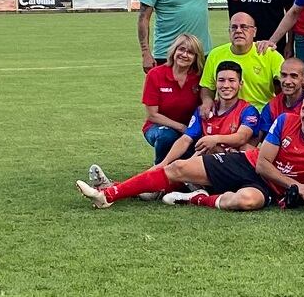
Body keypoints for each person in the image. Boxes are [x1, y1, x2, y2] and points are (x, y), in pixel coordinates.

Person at [76, 62, 261, 209]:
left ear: (240, 84)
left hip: (229, 172)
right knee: (148, 192)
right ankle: (110, 188)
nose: (226, 85)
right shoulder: (205, 110)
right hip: (203, 168)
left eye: (231, 80)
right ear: (215, 82)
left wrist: (214, 139)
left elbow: (241, 138)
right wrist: (163, 164)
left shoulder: (248, 110)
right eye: (221, 80)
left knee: (204, 153)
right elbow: (186, 139)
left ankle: (109, 191)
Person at [140, 33, 205, 165]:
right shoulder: (156, 74)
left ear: (196, 58)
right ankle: (159, 172)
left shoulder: (199, 77)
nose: (185, 55)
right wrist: (181, 127)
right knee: (168, 137)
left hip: (190, 128)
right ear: (174, 51)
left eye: (190, 52)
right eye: (181, 49)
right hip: (158, 127)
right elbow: (152, 115)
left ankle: (187, 178)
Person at [200, 13, 284, 114]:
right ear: (229, 31)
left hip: (261, 113)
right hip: (227, 113)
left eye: (244, 27)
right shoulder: (215, 55)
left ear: (254, 32)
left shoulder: (268, 53)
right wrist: (207, 100)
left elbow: (287, 81)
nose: (238, 31)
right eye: (234, 27)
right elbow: (207, 86)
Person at [258, 58, 304, 136]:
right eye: (284, 75)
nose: (287, 81)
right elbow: (258, 138)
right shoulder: (273, 105)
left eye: (293, 76)